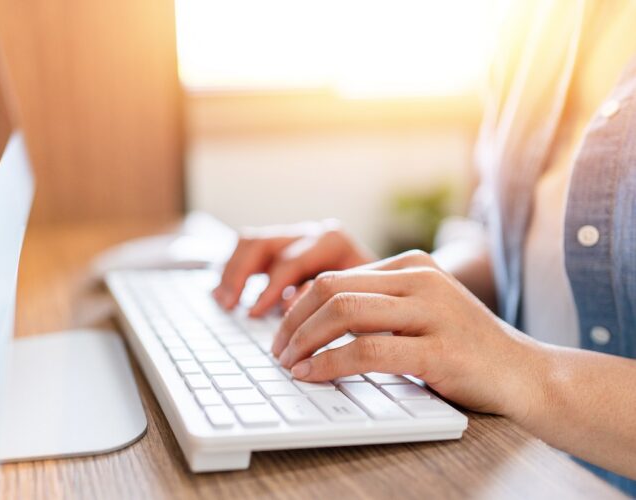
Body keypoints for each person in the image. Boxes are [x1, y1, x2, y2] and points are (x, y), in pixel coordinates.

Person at [212, 0, 636, 494]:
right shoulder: (534, 20)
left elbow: (512, 362)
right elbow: (502, 241)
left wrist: (523, 371)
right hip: (527, 468)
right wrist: (392, 291)